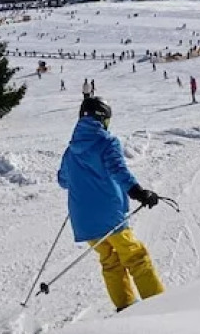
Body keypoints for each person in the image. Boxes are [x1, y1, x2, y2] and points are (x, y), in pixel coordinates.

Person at [56, 96, 166, 312]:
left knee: (110, 260)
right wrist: (139, 193)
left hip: (84, 221)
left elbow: (62, 181)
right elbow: (118, 170)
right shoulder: (107, 142)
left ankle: (125, 306)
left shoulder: (71, 150)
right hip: (110, 216)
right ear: (103, 118)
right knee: (135, 256)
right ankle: (159, 305)